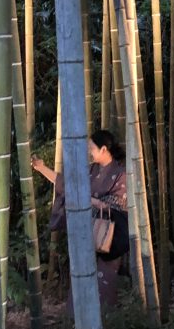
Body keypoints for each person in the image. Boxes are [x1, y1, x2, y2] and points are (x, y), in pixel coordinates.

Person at [32, 129, 129, 307]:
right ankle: (76, 322)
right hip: (85, 233)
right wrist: (42, 168)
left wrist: (89, 200)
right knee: (81, 278)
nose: (89, 152)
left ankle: (106, 323)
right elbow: (67, 185)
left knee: (104, 281)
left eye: (92, 148)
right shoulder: (90, 170)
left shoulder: (121, 174)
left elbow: (117, 205)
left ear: (104, 149)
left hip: (108, 236)